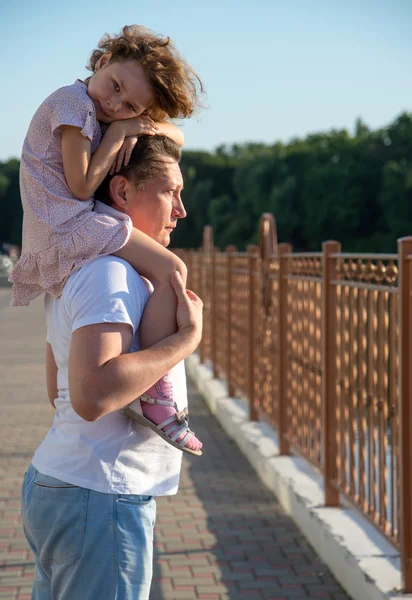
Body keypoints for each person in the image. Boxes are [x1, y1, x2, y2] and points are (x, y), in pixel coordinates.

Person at [21, 134, 203, 600]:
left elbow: (56, 387)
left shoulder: (93, 269)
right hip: (99, 497)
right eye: (169, 192)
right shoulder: (111, 274)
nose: (181, 209)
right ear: (121, 192)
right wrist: (186, 340)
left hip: (72, 487)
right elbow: (90, 395)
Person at [10, 25, 204, 453]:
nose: (114, 104)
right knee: (171, 267)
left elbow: (178, 136)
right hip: (67, 220)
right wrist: (121, 132)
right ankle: (156, 394)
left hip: (68, 219)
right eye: (115, 86)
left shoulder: (101, 107)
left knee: (155, 270)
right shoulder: (72, 102)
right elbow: (80, 186)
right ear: (101, 62)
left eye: (130, 103)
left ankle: (148, 391)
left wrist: (139, 123)